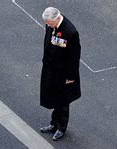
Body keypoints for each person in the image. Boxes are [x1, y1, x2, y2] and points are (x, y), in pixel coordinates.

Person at [39, 7, 81, 141]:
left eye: (49, 22)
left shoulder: (70, 32)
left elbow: (74, 57)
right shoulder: (51, 26)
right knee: (53, 97)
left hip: (63, 74)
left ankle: (61, 127)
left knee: (63, 101)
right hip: (51, 71)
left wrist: (71, 77)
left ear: (57, 18)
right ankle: (53, 123)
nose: (47, 25)